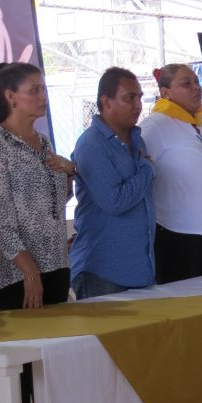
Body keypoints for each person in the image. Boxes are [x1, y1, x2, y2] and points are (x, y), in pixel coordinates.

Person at [0, 63, 73, 403]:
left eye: (44, 88)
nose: (43, 96)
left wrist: (69, 173)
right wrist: (28, 269)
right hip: (17, 272)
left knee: (51, 364)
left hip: (55, 261)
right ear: (10, 96)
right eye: (34, 89)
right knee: (22, 370)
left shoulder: (42, 142)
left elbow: (55, 201)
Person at [140, 63, 202, 282]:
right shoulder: (156, 125)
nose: (196, 87)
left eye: (196, 82)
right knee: (185, 300)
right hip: (179, 235)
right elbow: (139, 174)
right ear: (165, 92)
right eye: (186, 84)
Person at [70, 67, 156, 299]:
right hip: (102, 273)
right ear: (106, 102)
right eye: (129, 98)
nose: (138, 105)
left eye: (139, 97)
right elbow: (115, 201)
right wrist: (148, 170)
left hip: (140, 269)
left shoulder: (137, 140)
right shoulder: (91, 144)